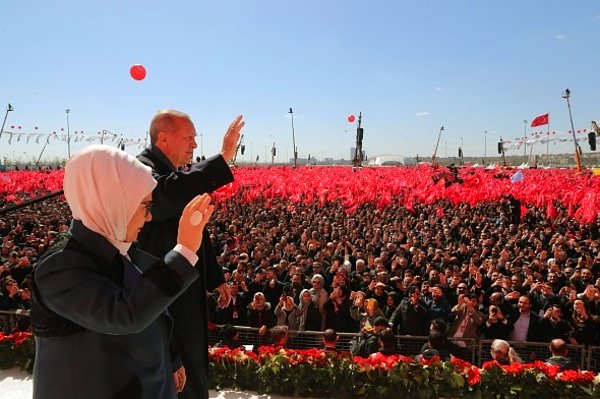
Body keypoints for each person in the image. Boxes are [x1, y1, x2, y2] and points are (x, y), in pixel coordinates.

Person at [31, 145, 215, 399]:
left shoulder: (120, 249)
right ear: (114, 202)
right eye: (144, 206)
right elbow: (123, 314)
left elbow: (154, 314)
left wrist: (170, 358)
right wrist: (184, 250)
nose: (148, 218)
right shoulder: (59, 265)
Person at [136, 110, 244, 399]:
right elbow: (165, 196)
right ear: (163, 137)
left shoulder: (174, 173)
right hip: (165, 298)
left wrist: (215, 278)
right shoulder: (141, 170)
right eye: (189, 138)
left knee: (192, 374)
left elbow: (196, 230)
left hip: (184, 291)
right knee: (178, 377)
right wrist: (222, 157)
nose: (194, 145)